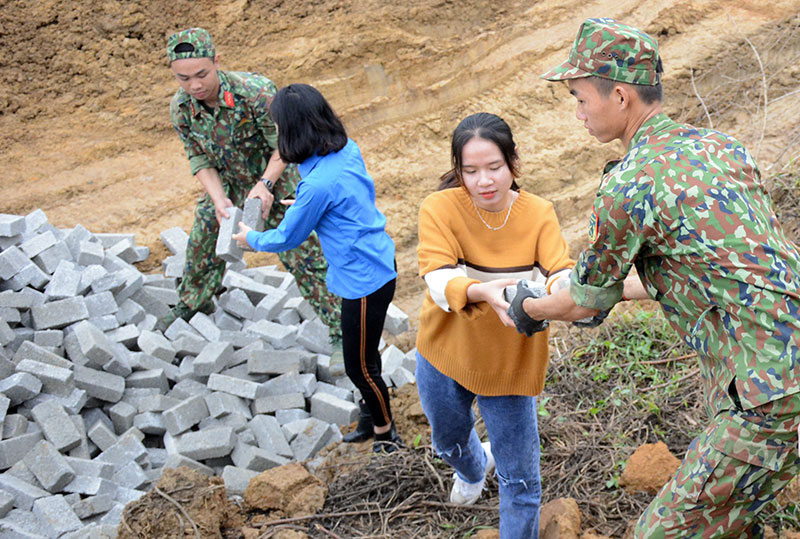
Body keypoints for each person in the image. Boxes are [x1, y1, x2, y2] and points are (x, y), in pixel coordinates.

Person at [509, 18, 800, 537]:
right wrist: (605, 289)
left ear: (619, 96)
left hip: (768, 396)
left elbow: (583, 302)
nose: (577, 113)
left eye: (579, 98)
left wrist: (528, 309)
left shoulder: (629, 184)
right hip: (783, 376)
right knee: (731, 520)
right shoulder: (721, 150)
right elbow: (703, 268)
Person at [415, 112, 574, 538]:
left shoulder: (538, 213)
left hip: (509, 361)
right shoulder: (440, 208)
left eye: (494, 168)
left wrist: (563, 290)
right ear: (458, 171)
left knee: (521, 481)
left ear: (512, 164)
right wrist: (483, 292)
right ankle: (471, 467)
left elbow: (560, 270)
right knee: (447, 441)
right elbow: (436, 279)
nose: (484, 181)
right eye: (470, 171)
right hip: (446, 353)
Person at [232, 83, 403, 453]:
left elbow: (286, 237)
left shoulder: (318, 186)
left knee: (359, 366)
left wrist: (252, 239)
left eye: (278, 128)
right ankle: (372, 416)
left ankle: (386, 435)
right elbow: (346, 194)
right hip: (378, 260)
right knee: (366, 353)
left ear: (293, 131)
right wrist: (310, 202)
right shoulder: (345, 151)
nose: (277, 134)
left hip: (362, 282)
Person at [162, 28, 342, 353]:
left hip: (276, 181)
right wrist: (218, 200)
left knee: (305, 257)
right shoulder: (181, 108)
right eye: (183, 78)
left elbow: (284, 147)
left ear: (217, 61)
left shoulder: (255, 93)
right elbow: (199, 157)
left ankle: (341, 330)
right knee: (202, 245)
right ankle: (194, 304)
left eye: (202, 74)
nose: (195, 85)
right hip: (228, 185)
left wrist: (265, 184)